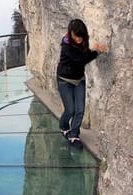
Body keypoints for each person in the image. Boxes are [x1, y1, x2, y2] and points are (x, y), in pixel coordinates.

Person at [56, 19, 107, 149]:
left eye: (81, 36)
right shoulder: (66, 45)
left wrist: (95, 50)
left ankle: (74, 136)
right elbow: (80, 59)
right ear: (70, 34)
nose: (79, 39)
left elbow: (84, 54)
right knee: (70, 109)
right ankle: (63, 126)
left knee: (80, 110)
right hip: (64, 80)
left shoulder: (83, 40)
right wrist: (96, 52)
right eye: (76, 36)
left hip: (79, 79)